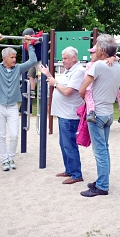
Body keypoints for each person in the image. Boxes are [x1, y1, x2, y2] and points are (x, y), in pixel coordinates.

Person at [78, 34, 120, 197]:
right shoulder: (117, 66)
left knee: (100, 151)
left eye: (96, 46)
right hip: (109, 113)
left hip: (96, 115)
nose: (94, 48)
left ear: (102, 51)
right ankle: (102, 180)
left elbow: (83, 89)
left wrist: (85, 98)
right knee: (105, 149)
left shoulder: (98, 66)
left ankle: (102, 186)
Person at [0, 33, 37, 171]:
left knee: (14, 134)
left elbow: (33, 61)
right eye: (12, 57)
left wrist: (29, 45)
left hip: (13, 106)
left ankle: (11, 157)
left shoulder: (18, 68)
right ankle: (4, 160)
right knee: (1, 135)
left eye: (15, 57)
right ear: (4, 58)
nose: (14, 59)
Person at [38, 46, 85, 185]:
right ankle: (69, 170)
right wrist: (48, 75)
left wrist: (55, 83)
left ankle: (76, 174)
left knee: (69, 145)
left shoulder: (78, 71)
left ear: (74, 58)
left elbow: (67, 91)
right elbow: (59, 85)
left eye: (65, 58)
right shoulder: (69, 71)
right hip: (63, 114)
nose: (62, 61)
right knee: (64, 144)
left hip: (70, 115)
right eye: (62, 58)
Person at [84, 46, 120, 126]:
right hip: (93, 87)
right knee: (88, 92)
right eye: (91, 53)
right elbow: (87, 78)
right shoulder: (90, 64)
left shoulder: (106, 62)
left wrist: (113, 58)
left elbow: (117, 58)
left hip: (106, 87)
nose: (91, 55)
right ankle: (91, 112)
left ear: (100, 53)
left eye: (93, 53)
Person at [22, 28, 43, 99]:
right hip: (33, 60)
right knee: (30, 75)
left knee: (40, 75)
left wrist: (29, 41)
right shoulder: (31, 39)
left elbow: (34, 41)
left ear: (31, 35)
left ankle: (41, 91)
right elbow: (27, 46)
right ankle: (32, 92)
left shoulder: (39, 38)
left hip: (40, 60)